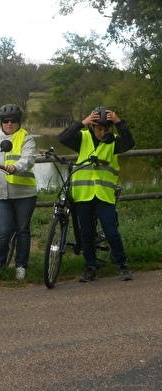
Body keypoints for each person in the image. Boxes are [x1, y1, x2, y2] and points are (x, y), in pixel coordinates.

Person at [58, 106, 135, 282]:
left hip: (103, 194)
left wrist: (119, 122)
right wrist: (82, 122)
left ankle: (122, 266)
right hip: (83, 194)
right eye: (98, 128)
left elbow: (130, 143)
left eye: (105, 129)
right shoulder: (82, 138)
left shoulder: (113, 141)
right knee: (87, 233)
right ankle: (91, 268)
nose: (102, 132)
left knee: (111, 231)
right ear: (92, 127)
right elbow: (63, 137)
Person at [0, 104, 37, 280]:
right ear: (1, 122)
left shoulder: (26, 138)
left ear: (19, 122)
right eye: (6, 121)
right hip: (0, 194)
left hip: (24, 194)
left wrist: (15, 166)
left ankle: (21, 266)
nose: (9, 124)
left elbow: (28, 159)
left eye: (13, 121)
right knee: (2, 232)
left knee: (22, 231)